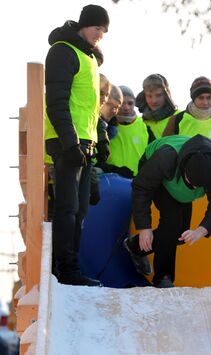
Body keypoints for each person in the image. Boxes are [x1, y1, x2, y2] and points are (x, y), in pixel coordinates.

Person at [44, 4, 110, 286]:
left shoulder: (90, 58)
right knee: (67, 207)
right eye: (98, 28)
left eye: (104, 31)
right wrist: (70, 143)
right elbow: (57, 102)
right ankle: (64, 268)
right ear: (84, 25)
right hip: (66, 141)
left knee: (81, 209)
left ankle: (72, 266)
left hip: (85, 141)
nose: (100, 35)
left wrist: (100, 136)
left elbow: (89, 106)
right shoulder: (63, 51)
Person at [125, 134, 211, 288]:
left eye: (199, 186)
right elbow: (141, 188)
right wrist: (144, 228)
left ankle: (135, 247)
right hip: (155, 170)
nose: (195, 188)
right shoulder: (165, 157)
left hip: (180, 183)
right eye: (191, 183)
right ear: (184, 169)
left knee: (180, 234)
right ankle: (163, 278)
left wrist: (202, 230)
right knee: (172, 220)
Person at [162, 76, 211, 181]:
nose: (205, 102)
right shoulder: (177, 120)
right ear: (193, 98)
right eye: (201, 97)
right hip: (183, 182)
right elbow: (165, 154)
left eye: (209, 97)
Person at [96, 85, 155, 178]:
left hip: (137, 183)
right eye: (122, 103)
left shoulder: (145, 128)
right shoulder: (103, 127)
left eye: (130, 103)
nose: (126, 107)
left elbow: (154, 158)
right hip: (108, 180)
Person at [135, 73, 179, 139]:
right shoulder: (140, 123)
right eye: (149, 96)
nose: (154, 101)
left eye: (159, 95)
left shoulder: (180, 118)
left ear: (166, 96)